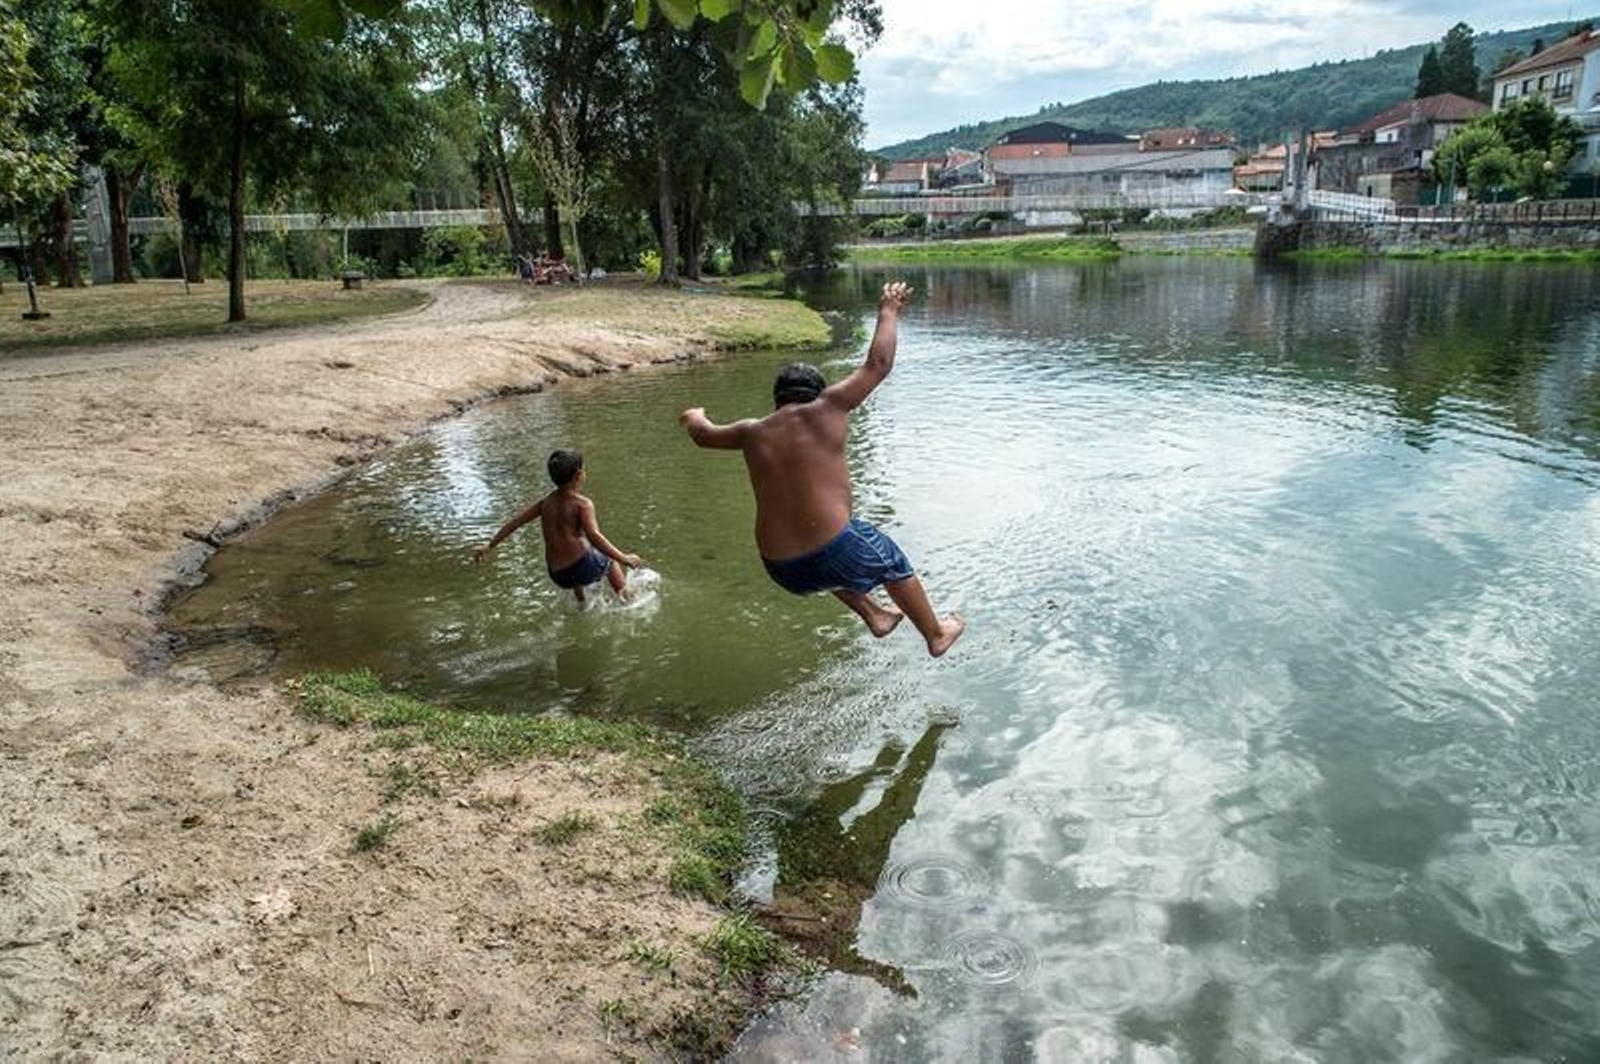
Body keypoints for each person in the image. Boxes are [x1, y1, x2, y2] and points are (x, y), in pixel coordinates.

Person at [679, 281, 965, 657]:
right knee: (888, 559)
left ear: (776, 401)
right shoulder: (827, 407)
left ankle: (875, 615)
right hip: (830, 550)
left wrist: (693, 414)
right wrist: (888, 310)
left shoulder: (751, 432)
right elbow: (878, 365)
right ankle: (935, 634)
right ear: (818, 392)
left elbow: (703, 434)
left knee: (827, 548)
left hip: (781, 568)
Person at [473, 448, 641, 604]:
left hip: (558, 574)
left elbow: (515, 523)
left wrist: (490, 545)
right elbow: (595, 536)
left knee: (578, 558)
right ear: (579, 474)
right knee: (610, 561)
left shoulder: (545, 503)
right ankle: (628, 601)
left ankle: (582, 603)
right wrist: (624, 558)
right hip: (581, 566)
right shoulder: (583, 504)